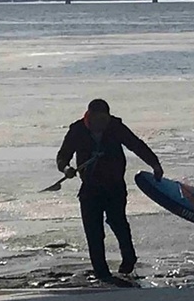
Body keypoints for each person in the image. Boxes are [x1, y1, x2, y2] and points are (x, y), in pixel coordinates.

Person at [56, 99, 163, 280]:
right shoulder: (77, 130)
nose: (101, 124)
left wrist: (155, 164)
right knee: (93, 232)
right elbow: (62, 156)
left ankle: (129, 259)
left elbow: (136, 145)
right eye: (97, 119)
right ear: (89, 116)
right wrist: (66, 169)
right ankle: (102, 273)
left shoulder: (115, 126)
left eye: (104, 119)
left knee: (118, 223)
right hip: (90, 188)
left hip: (114, 186)